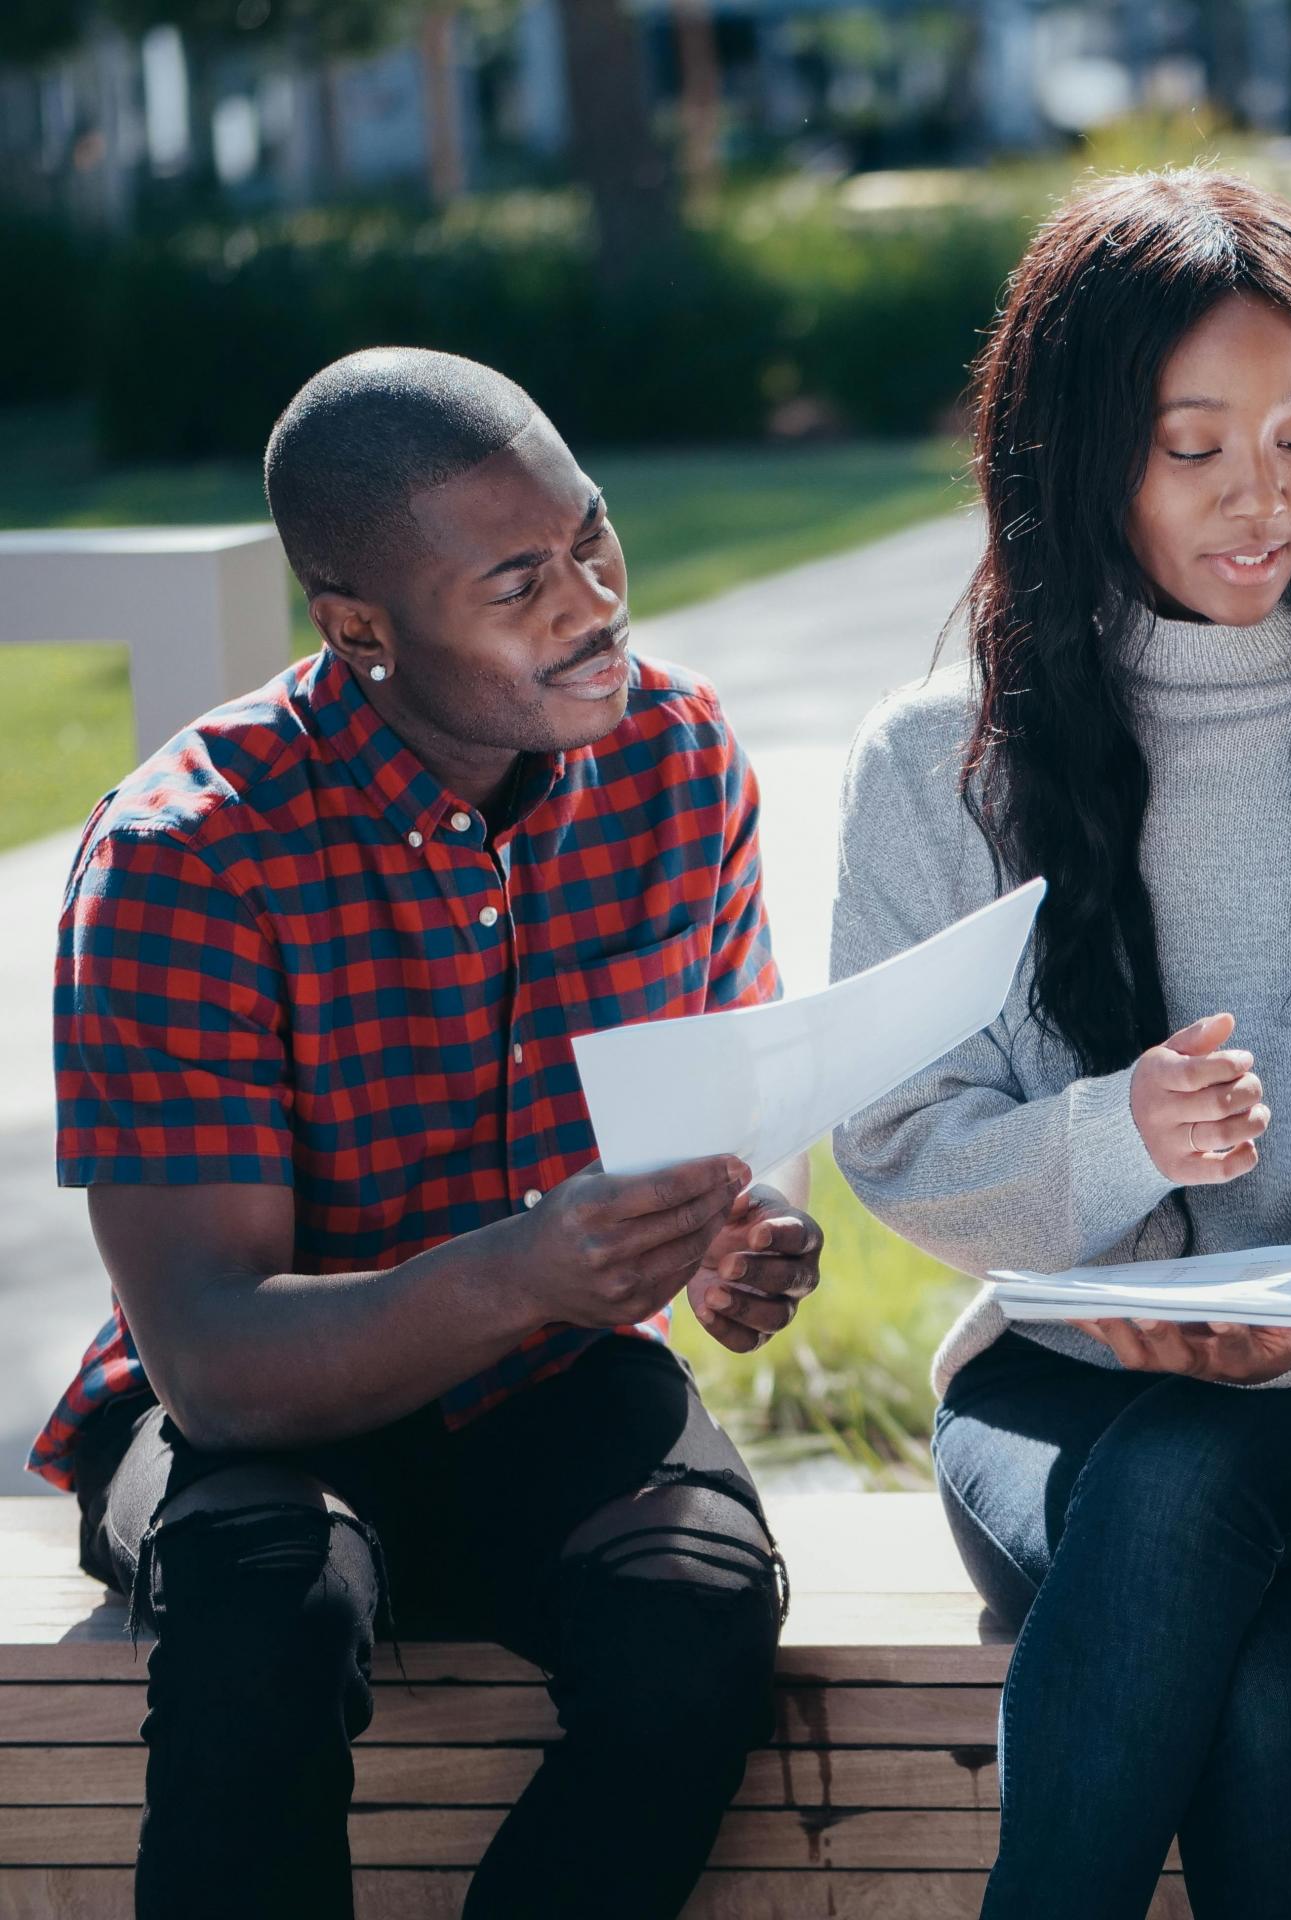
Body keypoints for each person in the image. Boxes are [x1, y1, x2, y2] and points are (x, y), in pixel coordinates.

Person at [829, 170, 1291, 1920]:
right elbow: (901, 1141)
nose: (1264, 501)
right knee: (1249, 1656)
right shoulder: (936, 761)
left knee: (1192, 1487)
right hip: (1056, 1391)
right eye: (1195, 451)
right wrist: (1115, 1143)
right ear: (1079, 453)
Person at [35, 347, 826, 1920]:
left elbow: (747, 1084)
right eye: (520, 579)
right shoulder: (185, 857)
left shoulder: (675, 754)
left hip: (542, 1384)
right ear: (359, 631)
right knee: (268, 1610)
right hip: (266, 1416)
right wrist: (531, 1267)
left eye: (592, 534)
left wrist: (748, 1225)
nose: (593, 597)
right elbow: (209, 1357)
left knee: (700, 1614)